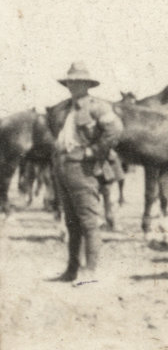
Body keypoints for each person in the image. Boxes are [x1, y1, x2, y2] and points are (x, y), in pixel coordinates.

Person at [47, 62, 123, 282]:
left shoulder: (97, 107)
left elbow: (115, 130)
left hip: (83, 168)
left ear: (87, 84)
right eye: (70, 82)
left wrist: (94, 151)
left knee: (88, 221)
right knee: (71, 222)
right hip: (63, 166)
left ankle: (89, 272)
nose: (72, 85)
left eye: (77, 82)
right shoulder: (65, 108)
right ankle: (72, 270)